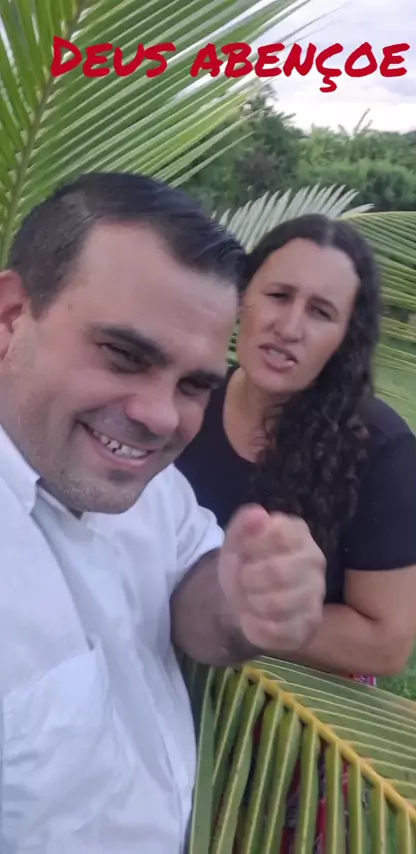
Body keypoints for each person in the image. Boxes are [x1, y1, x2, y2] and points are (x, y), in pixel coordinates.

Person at [0, 173, 327, 853]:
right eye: (125, 355)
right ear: (10, 317)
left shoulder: (154, 489)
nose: (160, 416)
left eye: (194, 385)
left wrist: (244, 601)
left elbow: (190, 589)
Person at [176, 214, 416, 852]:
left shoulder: (377, 446)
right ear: (243, 296)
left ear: (345, 337)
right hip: (165, 681)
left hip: (285, 728)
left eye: (321, 312)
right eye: (278, 295)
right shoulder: (185, 398)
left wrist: (238, 611)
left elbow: (387, 642)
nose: (289, 326)